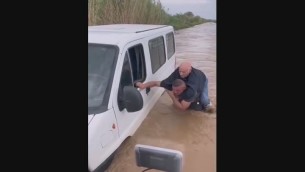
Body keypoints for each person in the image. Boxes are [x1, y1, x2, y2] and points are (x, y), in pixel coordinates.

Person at [136, 61, 215, 113]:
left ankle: (209, 105)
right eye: (180, 71)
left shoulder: (191, 88)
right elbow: (157, 83)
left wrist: (173, 96)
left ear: (190, 70)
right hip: (188, 85)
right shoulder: (178, 73)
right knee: (180, 96)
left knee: (203, 98)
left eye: (183, 72)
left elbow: (182, 108)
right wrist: (143, 85)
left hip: (202, 79)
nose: (180, 74)